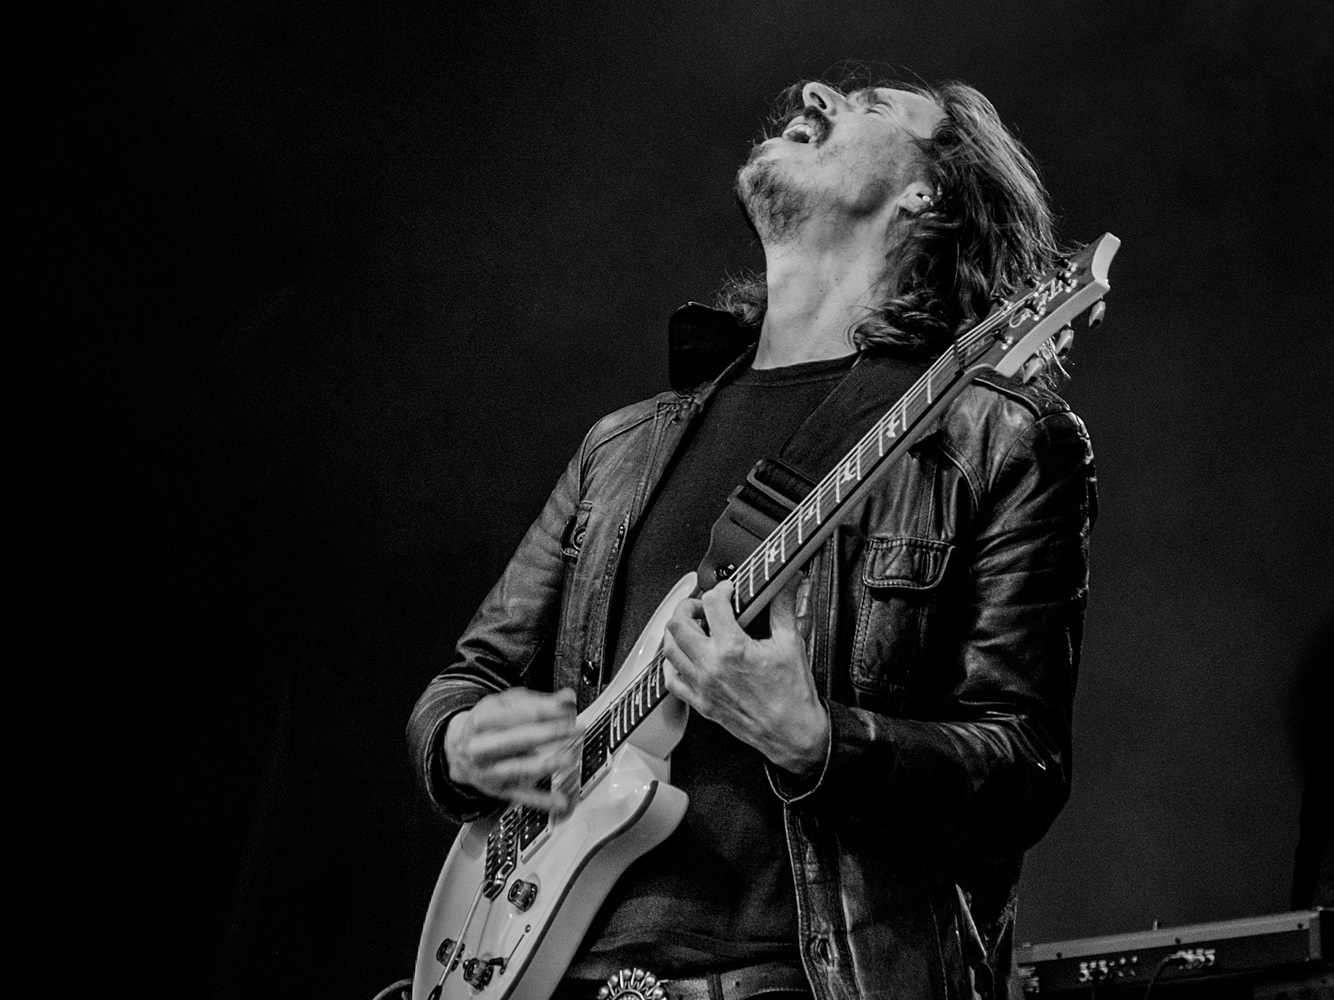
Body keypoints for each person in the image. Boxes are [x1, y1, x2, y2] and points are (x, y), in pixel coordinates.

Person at [407, 76, 1097, 1000]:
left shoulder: (991, 437)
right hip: (554, 970)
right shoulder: (620, 448)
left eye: (871, 103)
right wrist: (459, 745)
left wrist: (819, 740)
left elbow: (1022, 769)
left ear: (926, 194)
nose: (814, 91)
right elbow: (470, 680)